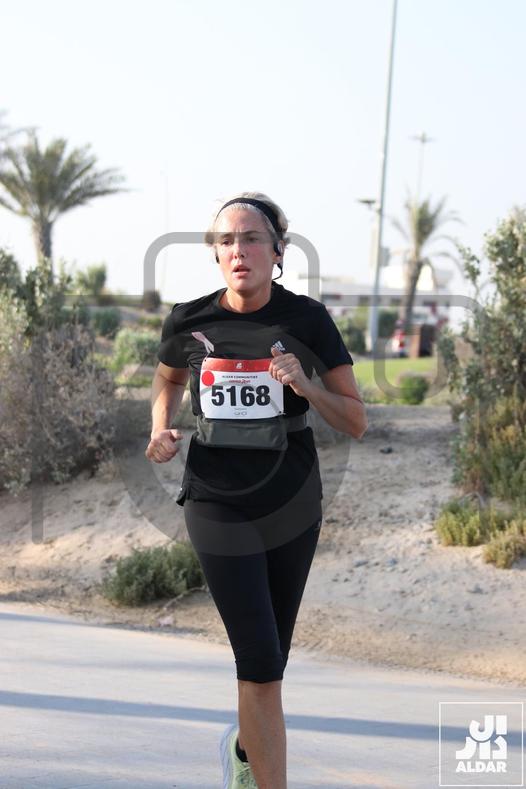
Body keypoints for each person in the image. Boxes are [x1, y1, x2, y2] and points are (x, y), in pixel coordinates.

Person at [145, 192, 367, 788]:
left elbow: (355, 420)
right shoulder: (188, 319)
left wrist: (306, 387)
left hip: (292, 502)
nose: (238, 250)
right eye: (226, 241)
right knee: (261, 664)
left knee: (272, 661)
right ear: (215, 254)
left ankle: (246, 751)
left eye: (251, 239)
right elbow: (167, 381)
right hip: (216, 500)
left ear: (278, 251)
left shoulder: (307, 320)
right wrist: (160, 428)